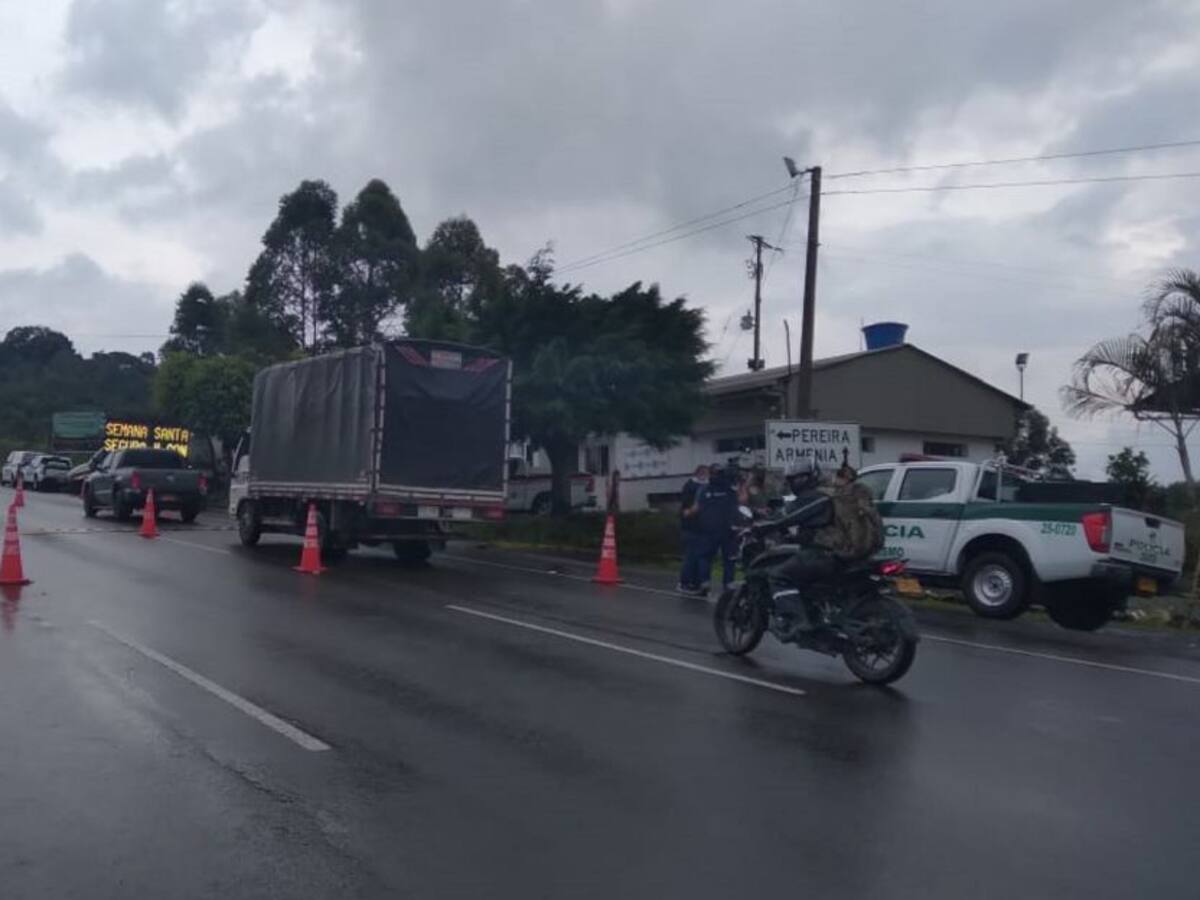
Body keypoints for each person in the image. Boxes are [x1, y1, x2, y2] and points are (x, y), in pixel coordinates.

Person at [753, 458, 883, 637]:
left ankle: (798, 620)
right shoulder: (834, 494)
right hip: (851, 555)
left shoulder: (814, 497)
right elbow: (820, 527)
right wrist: (794, 536)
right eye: (793, 479)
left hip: (825, 554)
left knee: (778, 576)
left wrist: (764, 526)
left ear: (811, 477)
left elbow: (788, 517)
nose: (796, 482)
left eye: (800, 478)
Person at [694, 461, 740, 594]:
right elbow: (735, 507)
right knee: (729, 558)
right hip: (728, 529)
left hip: (709, 529)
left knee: (705, 557)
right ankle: (728, 583)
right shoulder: (729, 489)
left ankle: (705, 583)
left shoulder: (703, 489)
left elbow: (698, 508)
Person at [677, 465, 709, 594]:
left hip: (703, 527)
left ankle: (697, 583)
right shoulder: (691, 486)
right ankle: (685, 582)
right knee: (691, 556)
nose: (706, 476)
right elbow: (686, 508)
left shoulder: (707, 486)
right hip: (691, 527)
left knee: (699, 557)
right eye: (704, 473)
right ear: (698, 474)